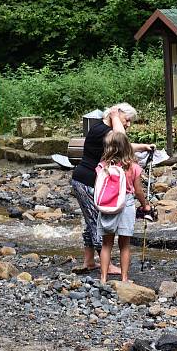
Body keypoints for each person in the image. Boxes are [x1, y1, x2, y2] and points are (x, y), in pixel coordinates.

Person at [69, 103, 153, 273]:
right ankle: (107, 265)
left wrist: (143, 147)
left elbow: (121, 144)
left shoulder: (105, 131)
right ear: (117, 114)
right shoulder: (101, 129)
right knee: (95, 221)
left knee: (90, 221)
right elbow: (121, 139)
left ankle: (89, 261)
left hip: (87, 181)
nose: (128, 124)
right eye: (127, 120)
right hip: (86, 182)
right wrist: (115, 117)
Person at [96, 132, 150, 283]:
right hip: (126, 204)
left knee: (106, 244)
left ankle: (103, 278)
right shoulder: (133, 167)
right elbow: (138, 191)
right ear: (127, 147)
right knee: (124, 245)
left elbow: (99, 188)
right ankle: (124, 279)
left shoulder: (102, 166)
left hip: (108, 205)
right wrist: (145, 205)